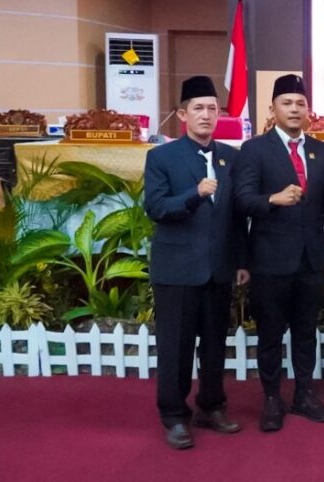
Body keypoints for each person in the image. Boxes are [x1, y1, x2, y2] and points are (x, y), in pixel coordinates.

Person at [233, 74, 324, 432]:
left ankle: (304, 394)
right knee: (270, 333)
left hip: (311, 258)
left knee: (306, 331)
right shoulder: (255, 149)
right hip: (270, 259)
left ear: (308, 110)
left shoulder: (320, 151)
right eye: (287, 103)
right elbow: (242, 200)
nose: (294, 109)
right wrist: (273, 199)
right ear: (273, 109)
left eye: (300, 104)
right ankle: (271, 398)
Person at [143, 75, 246, 449]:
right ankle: (174, 416)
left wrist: (241, 260)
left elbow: (237, 216)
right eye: (198, 108)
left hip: (218, 268)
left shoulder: (231, 158)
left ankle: (212, 406)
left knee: (215, 345)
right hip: (177, 270)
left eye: (212, 109)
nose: (206, 115)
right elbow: (156, 207)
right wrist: (195, 193)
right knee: (176, 348)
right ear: (183, 114)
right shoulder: (161, 157)